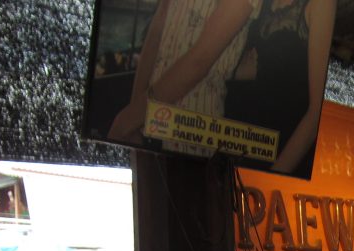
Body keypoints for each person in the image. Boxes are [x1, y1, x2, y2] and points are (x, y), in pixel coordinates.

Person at [108, 0, 261, 146]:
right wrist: (135, 116)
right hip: (146, 118)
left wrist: (128, 120)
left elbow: (200, 60)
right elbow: (157, 28)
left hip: (191, 127)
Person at [224, 0, 337, 177]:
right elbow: (261, 73)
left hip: (282, 155)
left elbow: (316, 113)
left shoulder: (320, 4)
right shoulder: (261, 4)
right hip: (240, 148)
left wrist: (273, 176)